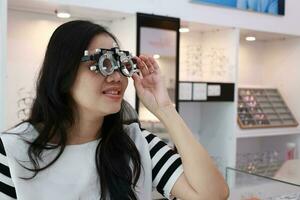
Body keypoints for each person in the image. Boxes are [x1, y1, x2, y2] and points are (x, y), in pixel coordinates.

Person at [0, 20, 229, 200]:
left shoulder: (137, 144)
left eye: (120, 64)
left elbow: (212, 195)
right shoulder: (12, 151)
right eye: (102, 63)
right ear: (63, 73)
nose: (116, 77)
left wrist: (165, 109)